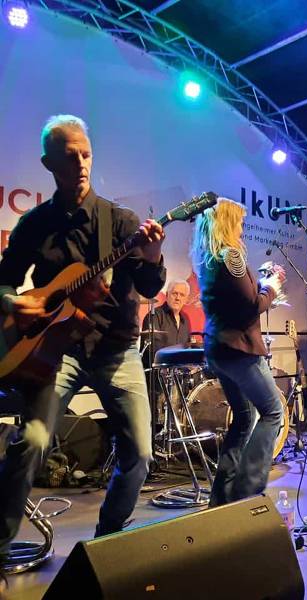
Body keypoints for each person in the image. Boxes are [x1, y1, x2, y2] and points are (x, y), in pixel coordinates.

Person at [0, 115, 165, 584]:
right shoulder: (35, 224)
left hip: (116, 349)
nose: (81, 163)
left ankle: (105, 544)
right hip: (56, 353)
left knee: (141, 454)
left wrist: (154, 256)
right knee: (32, 443)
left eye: (86, 154)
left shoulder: (122, 222)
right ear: (48, 163)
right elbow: (4, 280)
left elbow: (149, 286)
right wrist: (15, 302)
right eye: (69, 155)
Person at [191, 197, 284, 506]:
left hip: (219, 349)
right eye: (240, 222)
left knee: (244, 417)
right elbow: (251, 305)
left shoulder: (209, 258)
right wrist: (271, 287)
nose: (242, 228)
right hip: (239, 350)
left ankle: (222, 497)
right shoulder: (231, 255)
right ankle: (247, 491)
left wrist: (262, 284)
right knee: (273, 411)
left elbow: (236, 298)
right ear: (228, 223)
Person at [141, 279, 191, 362]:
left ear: (186, 299)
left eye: (182, 295)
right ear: (167, 295)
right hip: (158, 368)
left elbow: (187, 348)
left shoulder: (185, 320)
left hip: (178, 368)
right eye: (174, 293)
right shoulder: (155, 316)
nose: (178, 298)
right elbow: (154, 351)